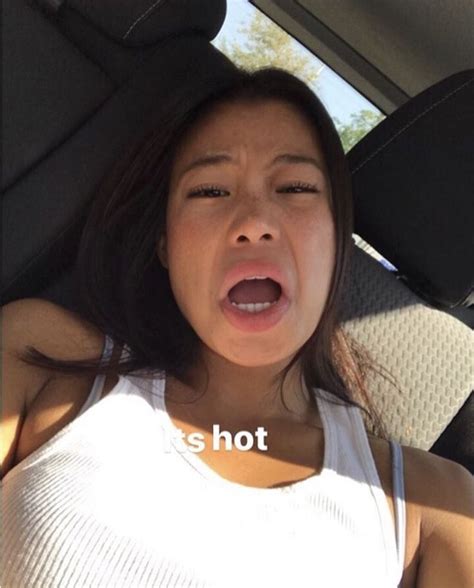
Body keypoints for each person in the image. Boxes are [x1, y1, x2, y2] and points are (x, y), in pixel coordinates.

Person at [1, 68, 472, 588]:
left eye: (295, 188)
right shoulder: (41, 359)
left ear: (338, 242)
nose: (254, 222)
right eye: (209, 191)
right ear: (165, 243)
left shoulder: (435, 506)